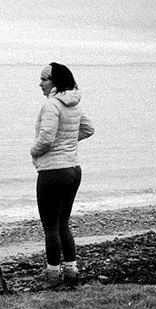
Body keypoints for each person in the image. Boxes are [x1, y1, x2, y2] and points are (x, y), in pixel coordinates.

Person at [31, 61, 94, 289]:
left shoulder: (51, 106)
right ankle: (72, 273)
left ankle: (53, 277)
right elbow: (88, 129)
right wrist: (67, 143)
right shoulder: (73, 104)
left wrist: (33, 151)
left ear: (54, 82)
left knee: (50, 227)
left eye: (44, 79)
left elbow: (46, 139)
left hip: (53, 172)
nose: (40, 83)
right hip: (73, 170)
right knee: (63, 224)